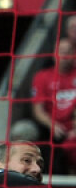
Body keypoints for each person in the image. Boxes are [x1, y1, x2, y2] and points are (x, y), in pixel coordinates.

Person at [31, 38, 76, 171]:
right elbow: (38, 110)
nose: (64, 55)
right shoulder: (42, 76)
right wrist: (52, 125)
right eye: (61, 51)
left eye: (68, 51)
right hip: (51, 127)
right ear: (54, 53)